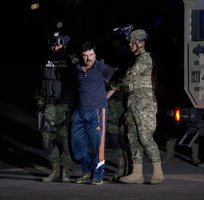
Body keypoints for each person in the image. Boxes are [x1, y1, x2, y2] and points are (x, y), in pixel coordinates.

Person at [108, 29, 165, 184]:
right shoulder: (135, 58)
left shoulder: (145, 58)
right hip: (133, 102)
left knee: (145, 137)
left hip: (145, 104)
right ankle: (137, 173)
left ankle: (158, 172)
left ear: (141, 43)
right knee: (133, 138)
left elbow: (130, 75)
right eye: (130, 42)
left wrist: (114, 85)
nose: (130, 45)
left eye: (133, 42)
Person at [70, 42, 116, 185]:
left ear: (95, 55)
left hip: (97, 111)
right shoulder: (77, 68)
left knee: (98, 145)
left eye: (91, 55)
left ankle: (97, 175)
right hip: (79, 112)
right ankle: (86, 171)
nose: (88, 58)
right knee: (76, 144)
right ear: (81, 56)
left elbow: (117, 82)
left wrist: (105, 97)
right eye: (85, 55)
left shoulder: (101, 67)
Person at [35, 32, 77, 183]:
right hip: (49, 106)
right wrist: (39, 102)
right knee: (46, 140)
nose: (54, 47)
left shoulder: (71, 60)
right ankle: (55, 169)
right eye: (53, 44)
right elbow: (39, 83)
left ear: (63, 44)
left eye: (57, 44)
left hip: (65, 106)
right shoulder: (45, 59)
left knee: (66, 141)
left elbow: (79, 82)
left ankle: (65, 171)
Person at [104, 25, 135, 180]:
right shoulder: (111, 55)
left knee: (124, 137)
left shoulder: (129, 56)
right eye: (113, 40)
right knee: (113, 136)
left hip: (123, 100)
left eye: (116, 39)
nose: (113, 42)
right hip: (112, 101)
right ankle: (121, 166)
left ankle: (131, 168)